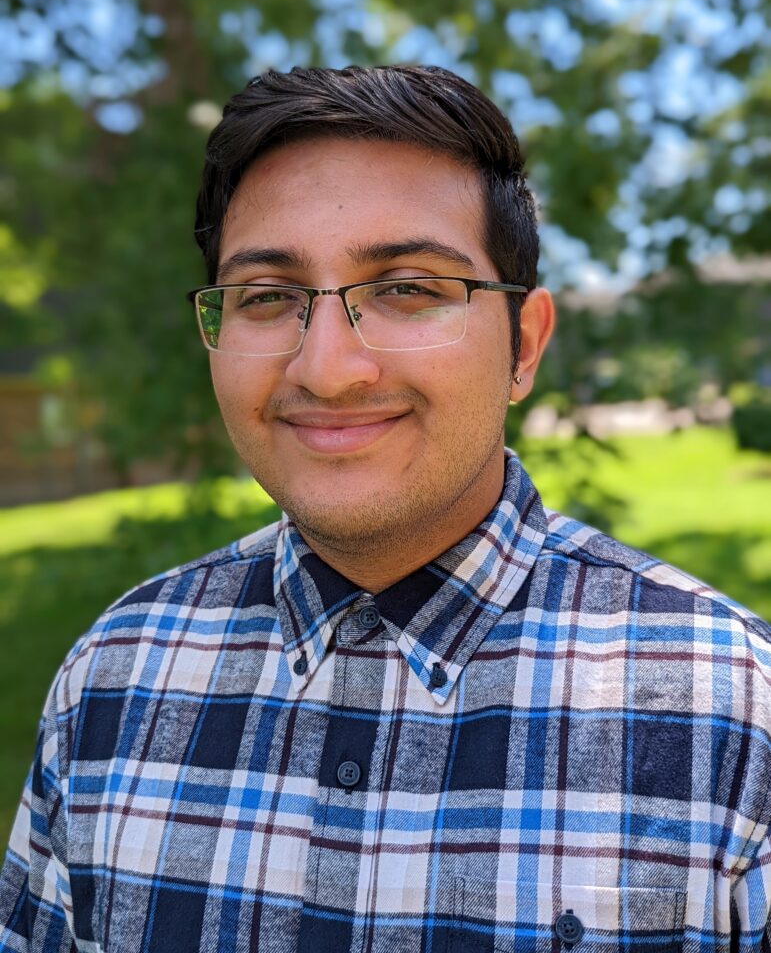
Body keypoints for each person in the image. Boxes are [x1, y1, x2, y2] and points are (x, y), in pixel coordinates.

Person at [0, 65, 768, 953]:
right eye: (268, 298)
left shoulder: (733, 713)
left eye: (405, 288)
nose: (327, 369)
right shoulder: (112, 676)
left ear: (523, 345)